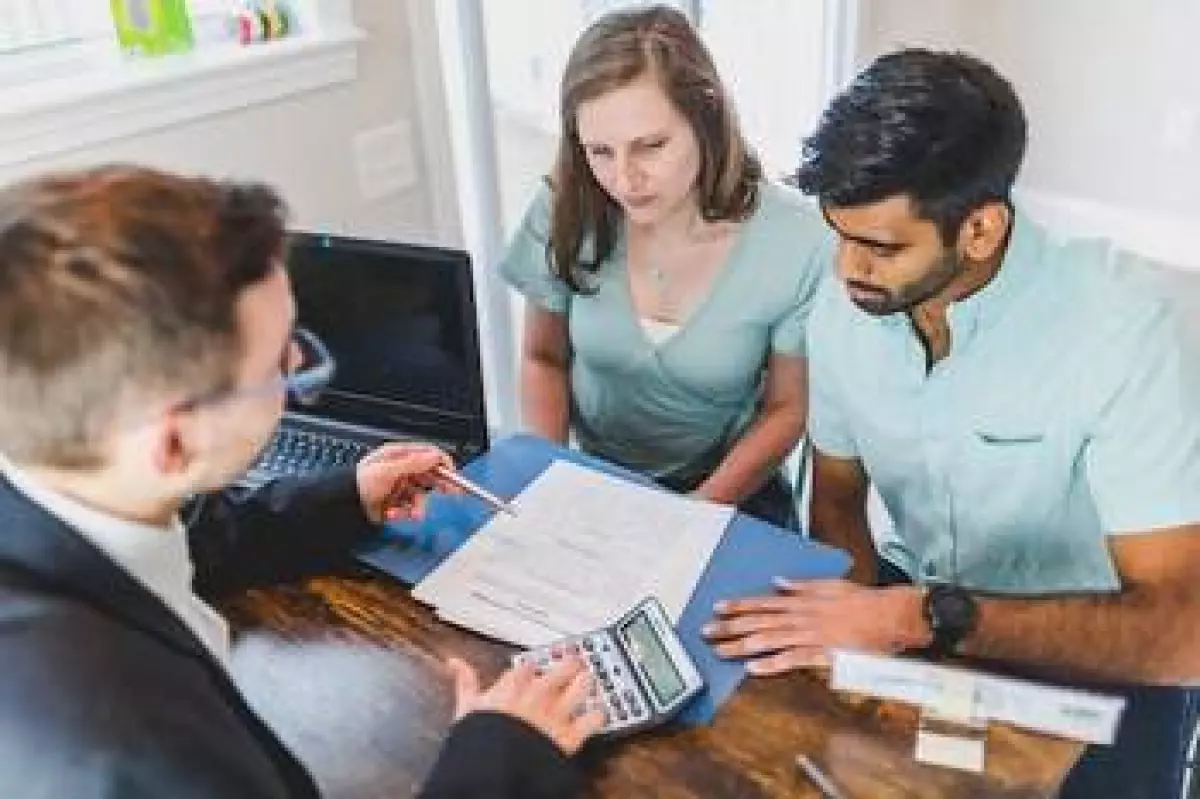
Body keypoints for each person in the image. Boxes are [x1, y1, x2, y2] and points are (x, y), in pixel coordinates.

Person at [0, 166, 603, 798]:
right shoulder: (142, 753)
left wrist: (348, 498)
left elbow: (203, 535)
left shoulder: (67, 482)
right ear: (173, 441)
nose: (298, 370)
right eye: (279, 364)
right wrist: (499, 753)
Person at [701, 49, 1200, 797]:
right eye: (839, 234)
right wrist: (849, 661)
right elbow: (837, 496)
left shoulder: (1124, 328)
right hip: (915, 615)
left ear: (981, 228)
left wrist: (920, 619)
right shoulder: (847, 309)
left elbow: (1181, 631)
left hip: (1102, 650)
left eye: (880, 247)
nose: (845, 270)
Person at [499, 5, 830, 529]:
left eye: (651, 146)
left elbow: (786, 409)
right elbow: (543, 358)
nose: (625, 179)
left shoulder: (799, 240)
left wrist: (693, 514)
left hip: (731, 490)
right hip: (589, 479)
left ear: (706, 117)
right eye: (599, 151)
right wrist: (549, 475)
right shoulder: (564, 206)